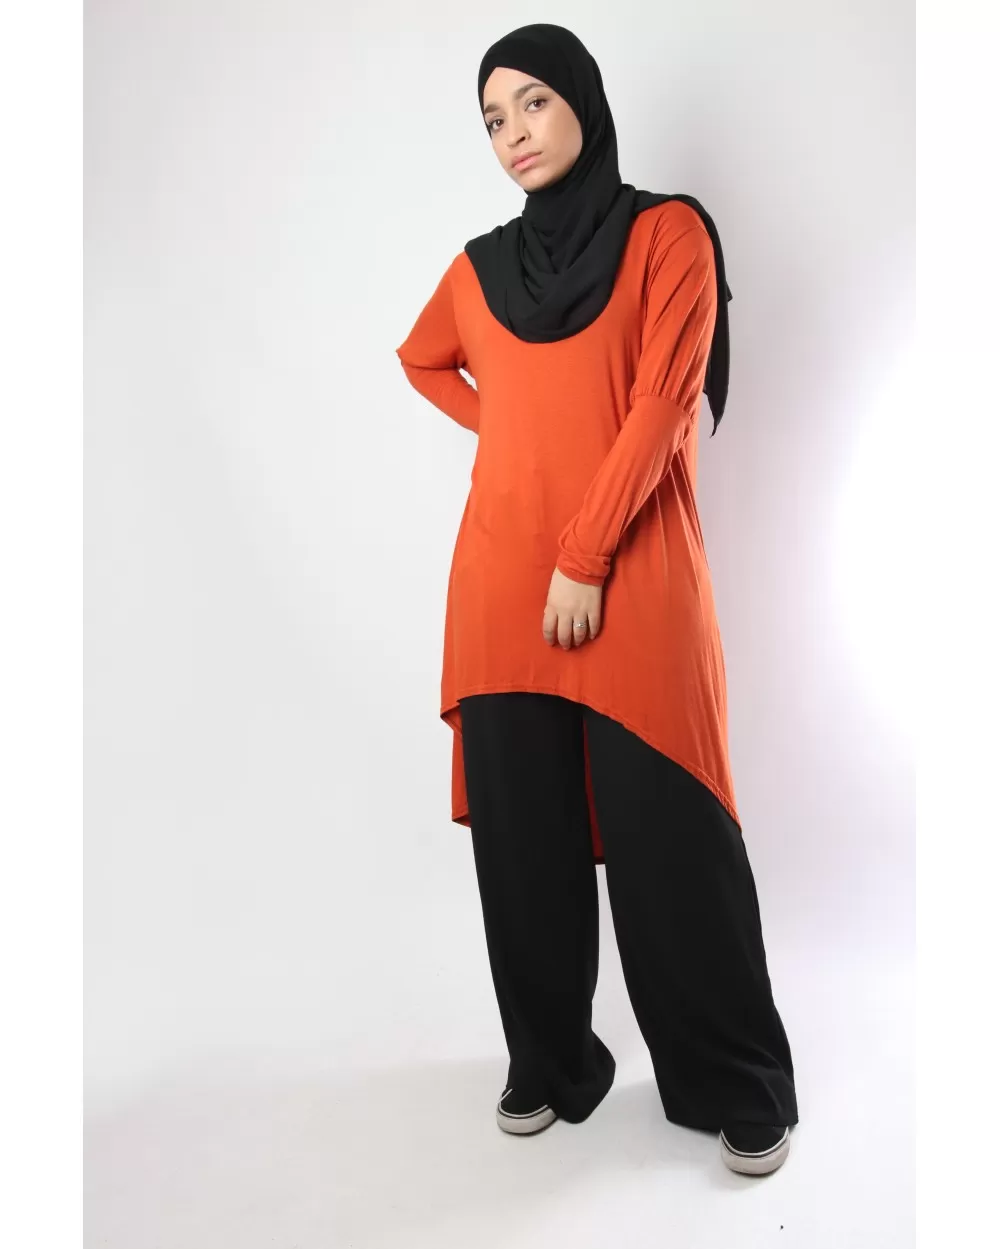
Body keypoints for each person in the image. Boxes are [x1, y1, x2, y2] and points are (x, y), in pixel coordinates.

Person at [394, 22, 798, 1178]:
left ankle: (732, 1078)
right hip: (498, 581)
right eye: (492, 119)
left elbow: (665, 405)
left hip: (633, 573)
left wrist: (583, 551)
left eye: (531, 102)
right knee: (525, 845)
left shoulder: (668, 234)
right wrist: (511, 436)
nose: (512, 133)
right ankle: (549, 1060)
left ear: (582, 99)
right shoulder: (478, 269)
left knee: (674, 837)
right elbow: (420, 359)